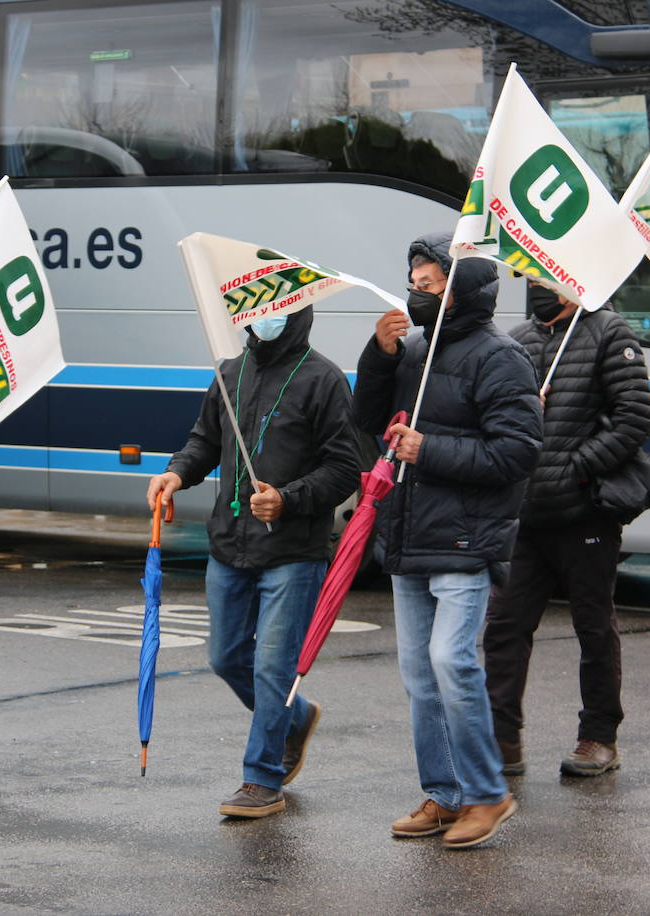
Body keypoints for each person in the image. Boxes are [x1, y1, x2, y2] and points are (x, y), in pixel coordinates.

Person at [352, 232, 542, 849]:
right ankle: (444, 794)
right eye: (413, 282)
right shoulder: (412, 351)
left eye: (430, 284)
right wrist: (378, 358)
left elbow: (517, 451)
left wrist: (429, 449)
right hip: (410, 533)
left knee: (450, 662)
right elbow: (365, 421)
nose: (417, 292)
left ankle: (488, 794)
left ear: (461, 292)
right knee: (418, 674)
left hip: (465, 539)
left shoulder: (500, 357)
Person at [147, 305, 361, 819]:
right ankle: (297, 718)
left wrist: (288, 499)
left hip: (293, 552)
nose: (266, 319)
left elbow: (345, 468)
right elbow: (204, 441)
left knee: (272, 668)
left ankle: (262, 779)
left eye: (279, 311)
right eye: (260, 310)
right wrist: (177, 473)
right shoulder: (230, 372)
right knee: (225, 657)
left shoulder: (323, 378)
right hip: (229, 544)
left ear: (297, 314)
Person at [483, 282, 650, 777]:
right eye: (531, 279)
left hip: (584, 515)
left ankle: (599, 737)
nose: (537, 286)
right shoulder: (516, 340)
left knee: (593, 627)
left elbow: (634, 419)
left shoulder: (609, 332)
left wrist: (576, 468)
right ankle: (503, 740)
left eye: (546, 278)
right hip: (526, 518)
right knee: (505, 628)